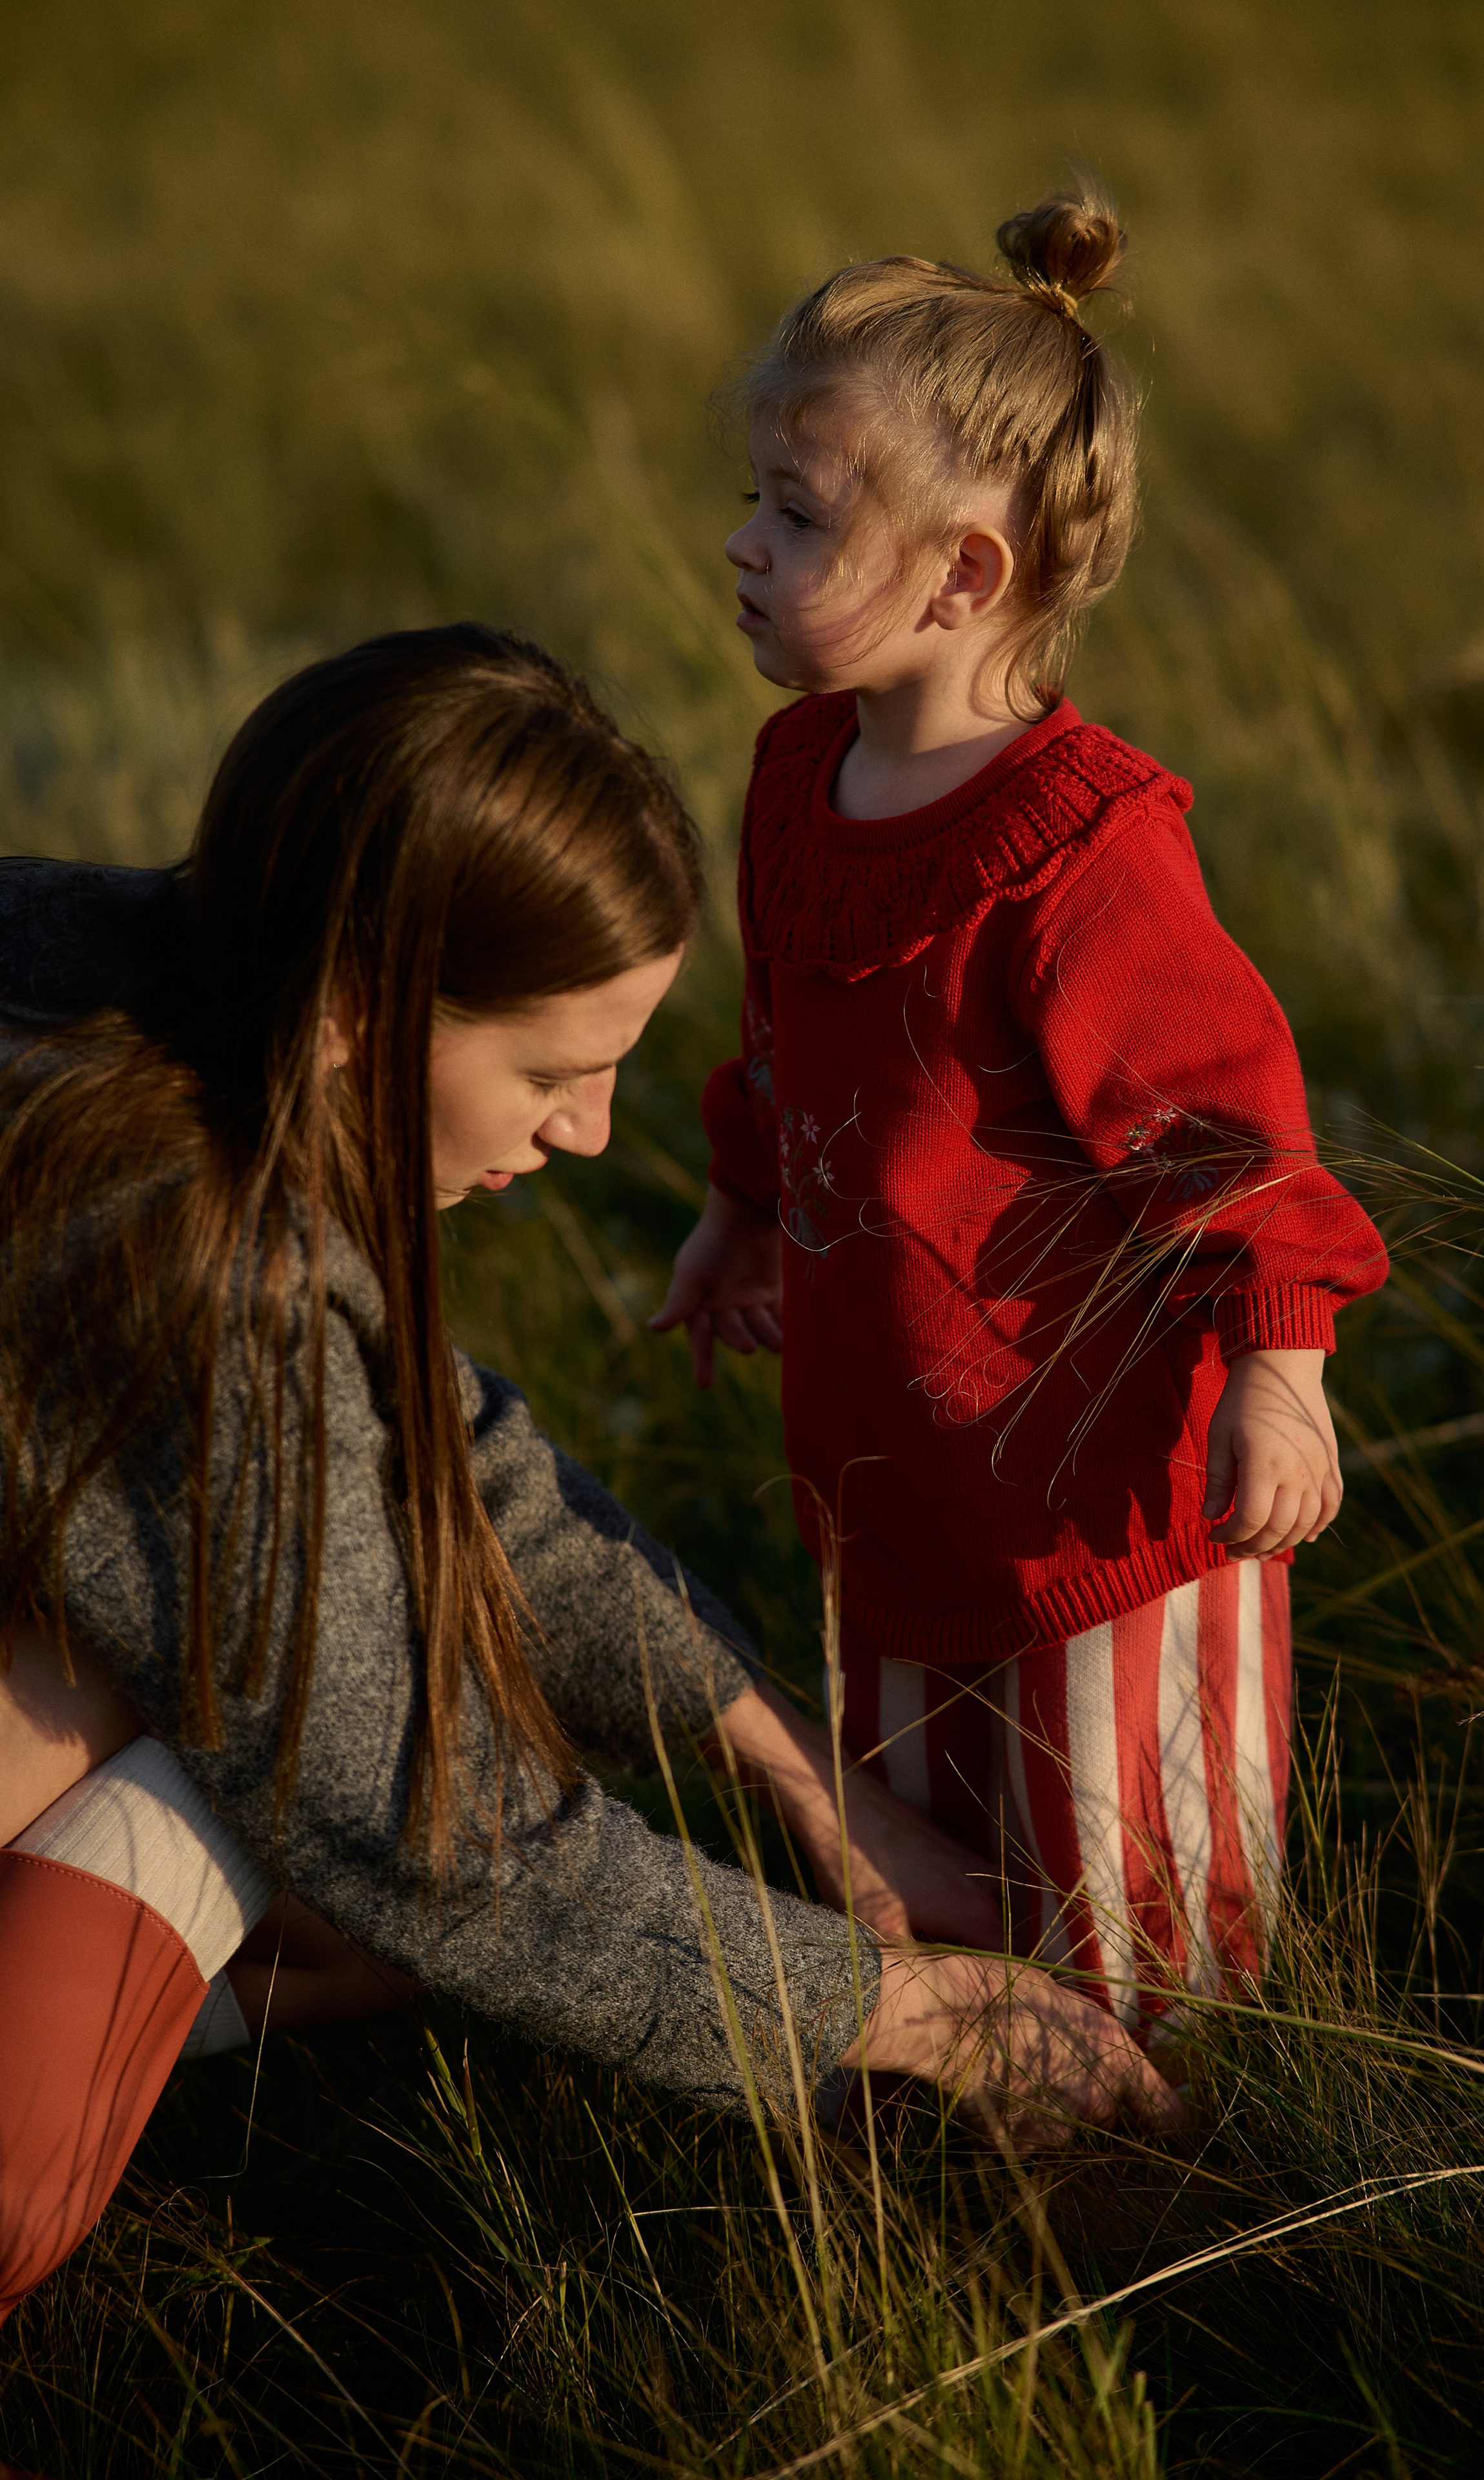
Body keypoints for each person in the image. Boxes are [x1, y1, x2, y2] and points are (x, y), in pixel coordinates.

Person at [0, 625, 1179, 2346]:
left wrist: (794, 1768)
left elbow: (441, 1458)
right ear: (355, 1011)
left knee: (331, 1814)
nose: (594, 1133)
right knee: (272, 1772)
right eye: (553, 1072)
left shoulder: (120, 967)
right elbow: (425, 1826)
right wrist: (908, 2017)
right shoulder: (174, 1244)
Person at [651, 189, 1389, 2038]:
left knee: (1136, 1916)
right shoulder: (800, 771)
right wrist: (744, 1209)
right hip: (899, 1484)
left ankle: (1174, 2177)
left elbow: (1226, 1130)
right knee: (940, 1869)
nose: (739, 545)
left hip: (1098, 1524)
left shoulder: (1079, 847)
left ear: (968, 575)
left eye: (798, 516)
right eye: (757, 496)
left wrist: (1282, 1372)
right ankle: (987, 2131)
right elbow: (791, 1036)